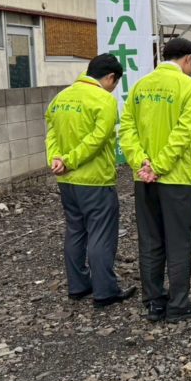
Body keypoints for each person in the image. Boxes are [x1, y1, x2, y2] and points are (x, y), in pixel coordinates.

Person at [119, 38, 191, 323]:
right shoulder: (190, 87)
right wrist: (160, 165)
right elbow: (184, 132)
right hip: (176, 178)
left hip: (143, 178)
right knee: (179, 241)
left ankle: (154, 302)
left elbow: (127, 128)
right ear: (188, 60)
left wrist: (141, 163)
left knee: (150, 239)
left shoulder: (140, 86)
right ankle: (179, 303)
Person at [45, 54, 136, 308]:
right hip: (95, 180)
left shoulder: (60, 97)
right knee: (101, 234)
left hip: (66, 181)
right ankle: (105, 291)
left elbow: (51, 132)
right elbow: (97, 140)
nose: (113, 88)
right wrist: (72, 160)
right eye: (115, 83)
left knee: (75, 230)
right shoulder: (104, 100)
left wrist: (56, 159)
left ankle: (78, 286)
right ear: (109, 77)